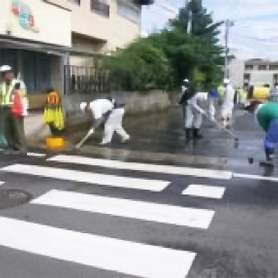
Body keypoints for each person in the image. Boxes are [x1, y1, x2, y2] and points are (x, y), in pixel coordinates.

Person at [0, 65, 28, 155]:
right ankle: (11, 147)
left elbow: (23, 97)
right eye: (5, 74)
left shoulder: (18, 83)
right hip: (4, 109)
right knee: (7, 129)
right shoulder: (2, 85)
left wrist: (24, 109)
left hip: (16, 108)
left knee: (18, 129)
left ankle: (21, 148)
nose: (8, 75)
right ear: (3, 75)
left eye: (9, 73)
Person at [245, 101, 278, 165]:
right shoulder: (268, 106)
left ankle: (270, 161)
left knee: (269, 141)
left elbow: (266, 127)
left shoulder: (259, 112)